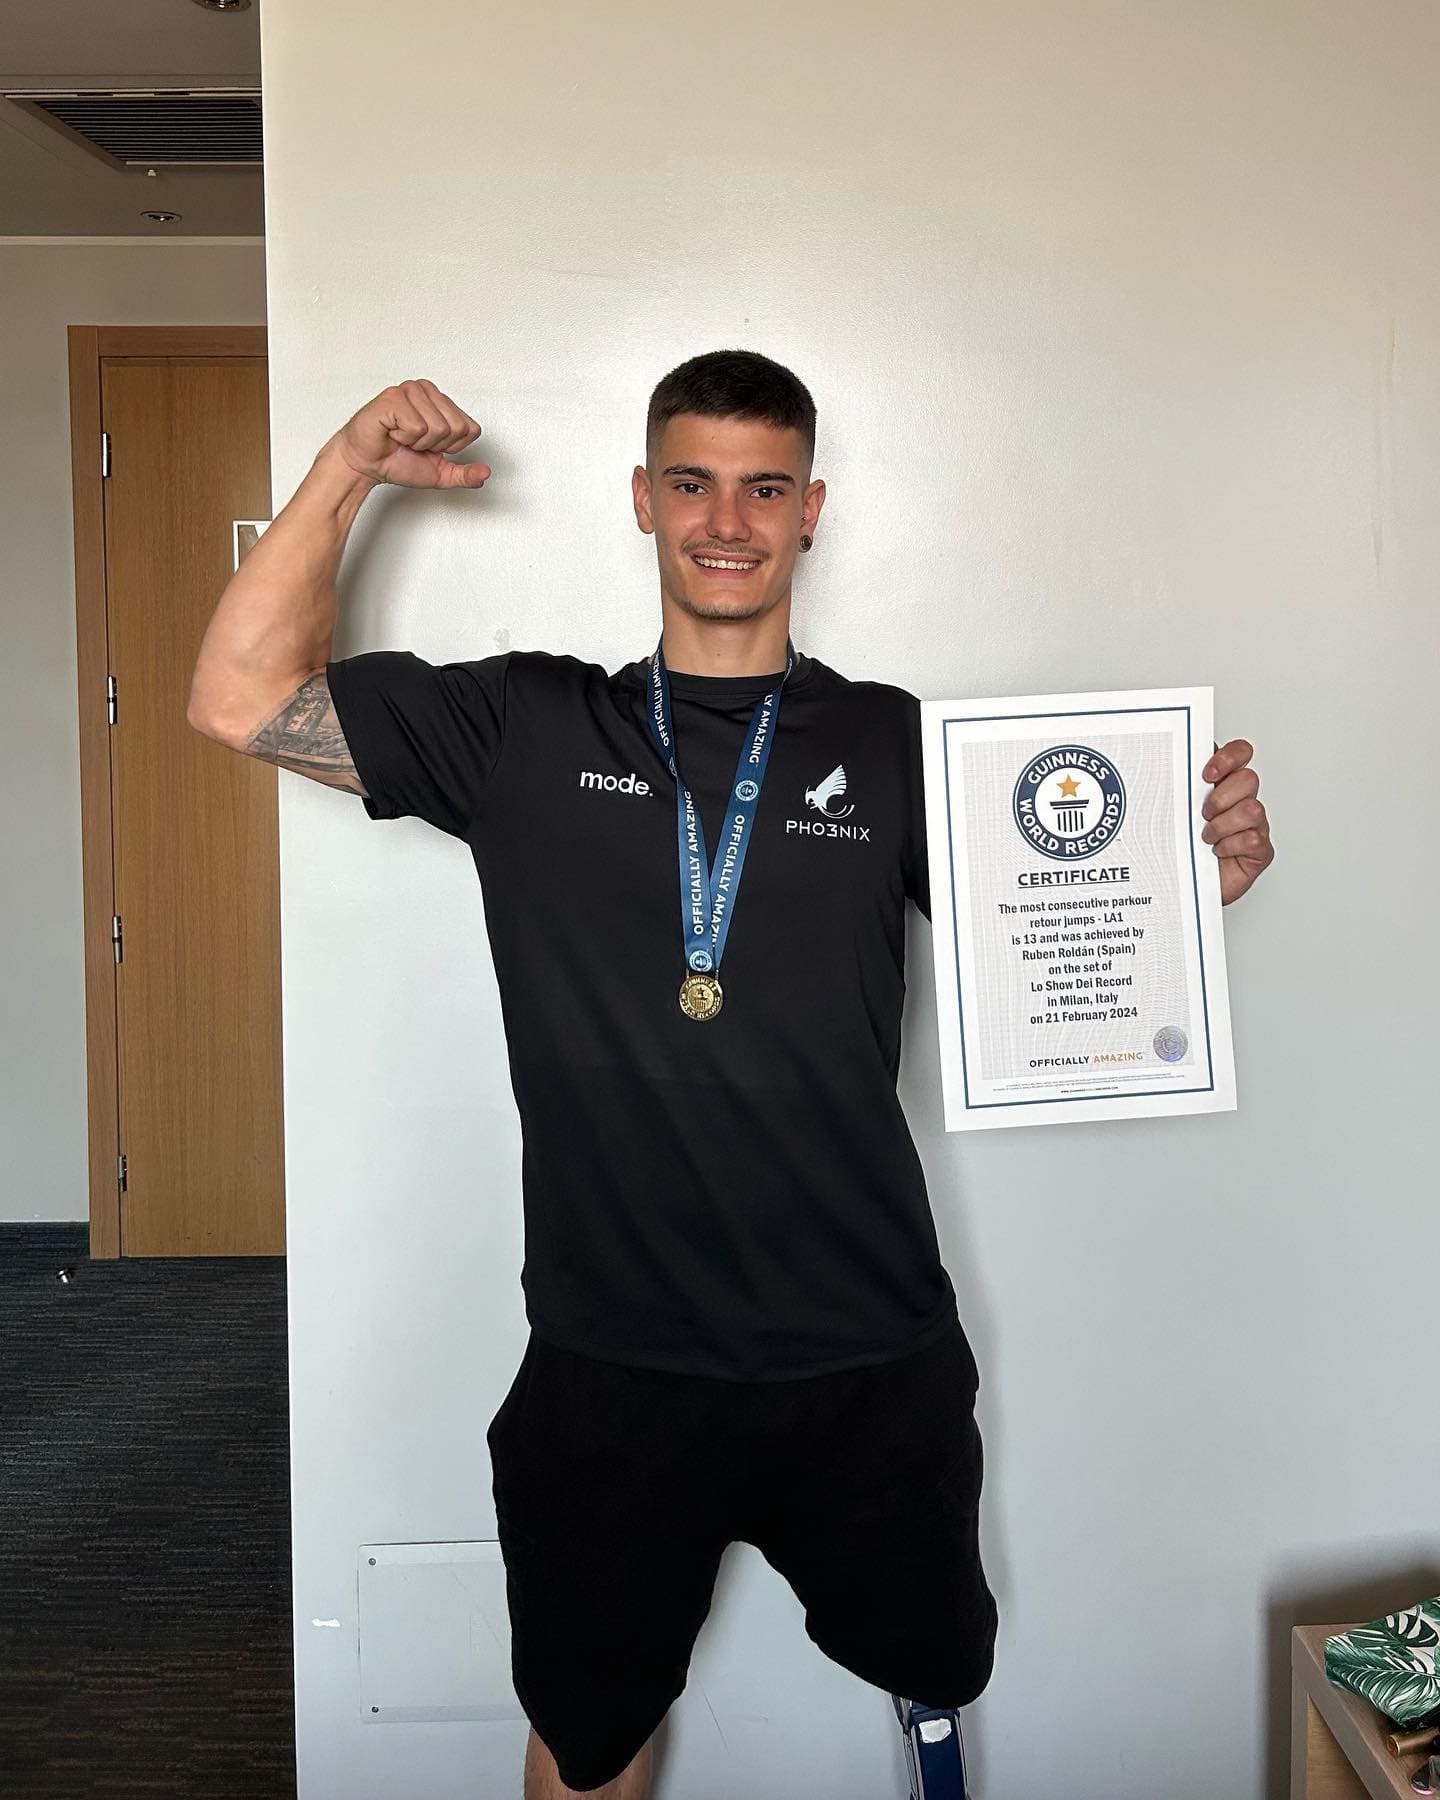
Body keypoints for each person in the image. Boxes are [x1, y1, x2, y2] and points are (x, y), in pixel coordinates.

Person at [188, 352, 1275, 1799]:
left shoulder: (900, 746)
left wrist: (1198, 879)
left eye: (765, 488)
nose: (728, 520)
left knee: (934, 1680)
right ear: (643, 499)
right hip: (612, 1361)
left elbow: (1085, 935)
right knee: (590, 1738)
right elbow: (239, 697)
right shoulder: (522, 727)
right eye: (692, 482)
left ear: (810, 509)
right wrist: (348, 467)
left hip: (864, 1352)